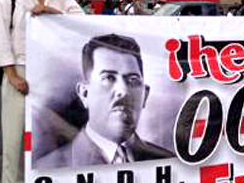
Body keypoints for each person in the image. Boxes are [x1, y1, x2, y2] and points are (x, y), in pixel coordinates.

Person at [0, 0, 84, 183]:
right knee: (15, 132)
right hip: (20, 67)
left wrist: (53, 13)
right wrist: (12, 75)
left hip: (52, 69)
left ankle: (52, 182)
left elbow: (81, 23)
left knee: (56, 129)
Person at [36, 34, 173, 169]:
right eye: (109, 78)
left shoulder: (169, 162)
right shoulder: (49, 168)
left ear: (145, 95)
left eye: (132, 80)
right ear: (84, 93)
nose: (123, 91)